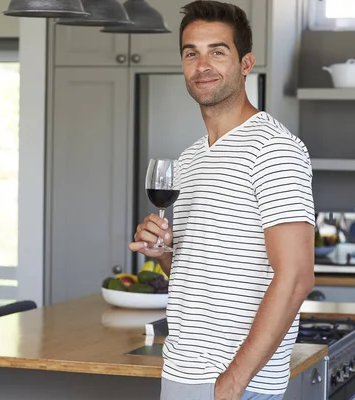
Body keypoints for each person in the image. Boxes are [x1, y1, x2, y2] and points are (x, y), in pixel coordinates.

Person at [129, 1, 315, 399]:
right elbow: (202, 272)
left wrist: (233, 381)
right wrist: (164, 253)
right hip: (181, 369)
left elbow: (297, 276)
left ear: (246, 63)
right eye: (190, 53)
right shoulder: (192, 157)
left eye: (218, 51)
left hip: (234, 382)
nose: (202, 65)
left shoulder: (274, 149)